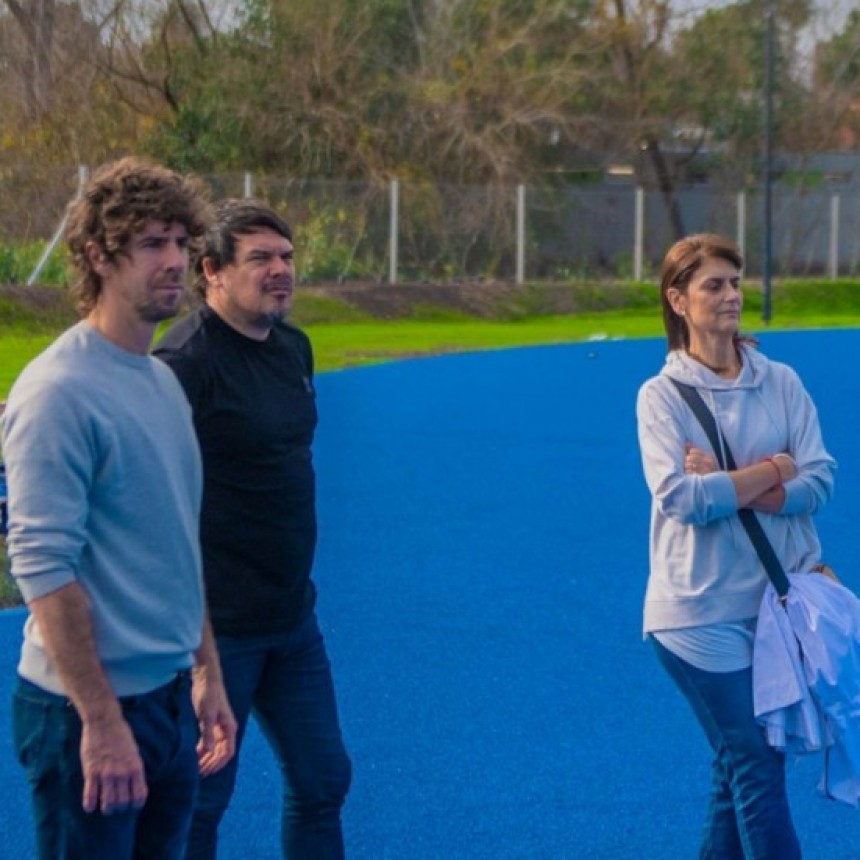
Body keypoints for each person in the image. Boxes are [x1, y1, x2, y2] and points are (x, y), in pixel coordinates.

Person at [1, 156, 237, 860]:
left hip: (166, 699)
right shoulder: (58, 391)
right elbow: (41, 565)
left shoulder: (162, 384)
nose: (175, 261)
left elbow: (174, 546)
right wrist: (100, 722)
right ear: (99, 257)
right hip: (85, 714)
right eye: (152, 244)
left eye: (180, 242)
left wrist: (207, 674)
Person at [154, 198, 352, 859]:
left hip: (293, 619)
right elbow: (157, 509)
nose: (281, 270)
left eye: (288, 257)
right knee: (201, 800)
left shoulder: (295, 347)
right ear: (211, 270)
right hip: (218, 631)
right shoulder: (184, 364)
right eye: (261, 258)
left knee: (324, 780)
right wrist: (198, 655)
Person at [636, 233, 836, 859]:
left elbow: (821, 480)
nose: (730, 296)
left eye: (734, 282)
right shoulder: (660, 398)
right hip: (696, 615)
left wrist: (736, 482)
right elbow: (683, 500)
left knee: (734, 765)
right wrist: (776, 467)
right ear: (678, 299)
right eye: (713, 285)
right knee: (756, 759)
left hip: (773, 607)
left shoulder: (781, 382)